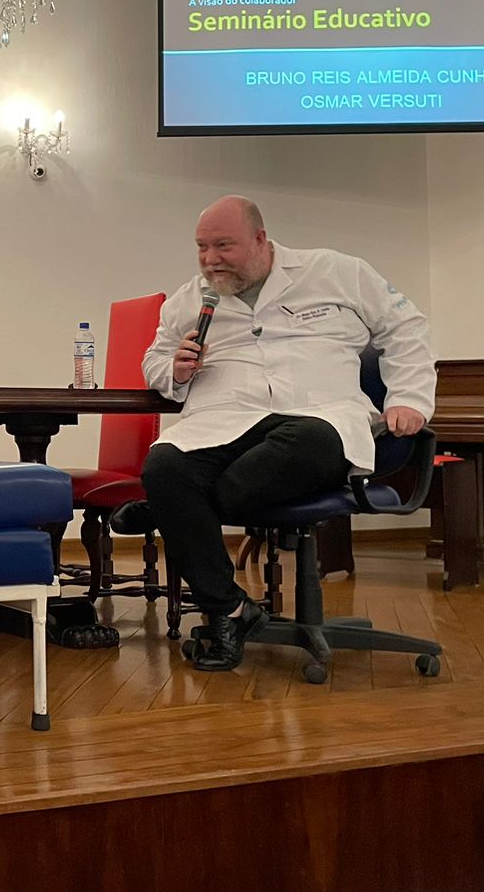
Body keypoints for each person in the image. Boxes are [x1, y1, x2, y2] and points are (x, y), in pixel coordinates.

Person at [123, 196, 435, 672]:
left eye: (223, 246)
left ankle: (172, 510)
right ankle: (230, 610)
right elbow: (156, 360)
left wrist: (409, 397)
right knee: (164, 466)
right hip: (223, 420)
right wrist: (175, 369)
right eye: (202, 247)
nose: (210, 260)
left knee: (301, 445)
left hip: (318, 417)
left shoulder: (335, 271)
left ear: (260, 239)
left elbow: (405, 326)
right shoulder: (190, 299)